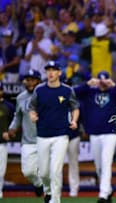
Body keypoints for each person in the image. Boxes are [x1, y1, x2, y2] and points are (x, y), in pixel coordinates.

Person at [74, 71, 116, 203]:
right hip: (94, 133)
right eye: (101, 80)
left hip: (110, 133)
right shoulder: (90, 92)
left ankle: (103, 195)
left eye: (105, 80)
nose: (103, 83)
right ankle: (108, 190)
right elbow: (73, 93)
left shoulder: (114, 93)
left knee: (106, 163)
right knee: (98, 165)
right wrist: (87, 84)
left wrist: (114, 86)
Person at [29, 61, 80, 203]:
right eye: (48, 70)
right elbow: (32, 106)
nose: (50, 73)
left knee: (56, 170)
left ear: (59, 73)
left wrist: (74, 120)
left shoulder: (67, 90)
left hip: (61, 135)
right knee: (44, 172)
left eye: (54, 70)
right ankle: (48, 191)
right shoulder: (39, 90)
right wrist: (32, 115)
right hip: (42, 134)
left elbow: (75, 107)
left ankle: (55, 200)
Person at [3, 70, 43, 197]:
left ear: (39, 81)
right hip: (28, 141)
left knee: (48, 171)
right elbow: (17, 117)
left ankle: (50, 196)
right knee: (27, 172)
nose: (30, 82)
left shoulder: (46, 95)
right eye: (28, 80)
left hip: (45, 138)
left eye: (33, 80)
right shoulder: (20, 97)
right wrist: (12, 128)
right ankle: (38, 183)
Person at [0, 81, 14, 199]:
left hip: (2, 143)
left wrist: (10, 133)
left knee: (1, 170)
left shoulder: (8, 106)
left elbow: (14, 123)